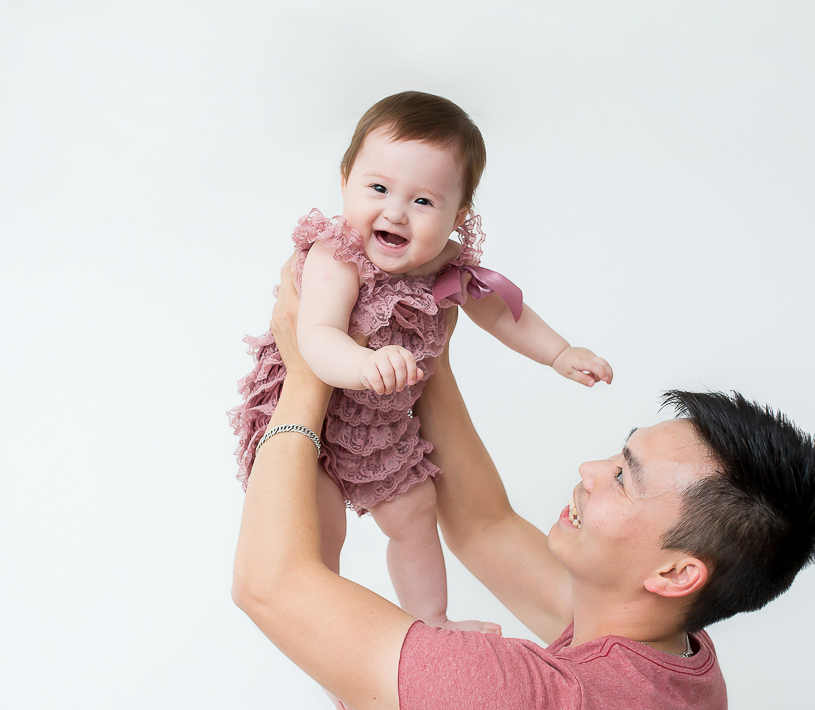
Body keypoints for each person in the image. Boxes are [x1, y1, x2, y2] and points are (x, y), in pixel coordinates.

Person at [231, 262, 815, 710]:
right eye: (618, 453)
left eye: (625, 479)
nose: (590, 470)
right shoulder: (680, 670)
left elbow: (269, 584)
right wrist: (427, 345)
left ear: (676, 573)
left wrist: (306, 370)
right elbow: (484, 526)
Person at [229, 91, 611, 649]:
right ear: (345, 181)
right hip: (306, 419)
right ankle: (327, 646)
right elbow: (314, 336)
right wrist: (362, 361)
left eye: (423, 201)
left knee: (415, 513)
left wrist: (558, 352)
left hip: (377, 428)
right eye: (378, 188)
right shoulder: (337, 257)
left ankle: (431, 618)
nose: (395, 212)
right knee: (320, 533)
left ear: (458, 216)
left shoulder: (445, 264)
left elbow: (500, 314)